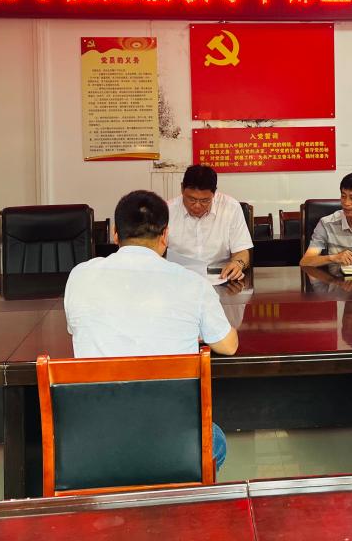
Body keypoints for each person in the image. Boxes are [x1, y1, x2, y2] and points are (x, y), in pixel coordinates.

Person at [64, 189, 239, 469]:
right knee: (214, 439)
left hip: (94, 437)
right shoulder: (193, 284)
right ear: (165, 235)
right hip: (171, 439)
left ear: (115, 234)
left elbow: (78, 330)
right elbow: (228, 346)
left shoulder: (79, 276)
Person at [167, 164, 252, 282]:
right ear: (182, 188)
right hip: (178, 278)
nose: (197, 205)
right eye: (191, 199)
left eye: (205, 200)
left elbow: (242, 251)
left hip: (221, 277)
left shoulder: (231, 207)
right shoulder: (166, 210)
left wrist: (238, 263)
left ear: (214, 193)